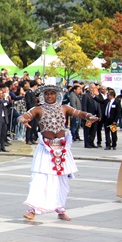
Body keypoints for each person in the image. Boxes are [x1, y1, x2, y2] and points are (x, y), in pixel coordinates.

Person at [18, 86, 100, 221]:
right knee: (39, 179)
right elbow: (24, 116)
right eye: (47, 94)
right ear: (43, 96)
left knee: (61, 181)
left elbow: (79, 113)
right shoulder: (37, 109)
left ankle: (61, 210)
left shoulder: (64, 108)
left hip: (61, 149)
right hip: (46, 148)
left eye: (52, 94)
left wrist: (89, 116)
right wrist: (22, 120)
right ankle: (32, 210)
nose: (49, 96)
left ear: (56, 95)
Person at [0, 83, 13, 152]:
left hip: (4, 118)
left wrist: (10, 100)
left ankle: (3, 146)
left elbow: (9, 105)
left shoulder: (4, 101)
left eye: (2, 93)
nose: (1, 94)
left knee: (3, 133)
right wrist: (1, 100)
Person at [81, 84, 100, 148]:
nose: (93, 89)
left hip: (95, 116)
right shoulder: (86, 96)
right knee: (87, 130)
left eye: (94, 88)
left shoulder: (96, 96)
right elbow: (84, 106)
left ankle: (91, 142)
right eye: (91, 87)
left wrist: (99, 115)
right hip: (88, 117)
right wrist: (86, 116)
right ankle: (87, 143)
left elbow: (98, 106)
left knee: (93, 131)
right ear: (89, 88)